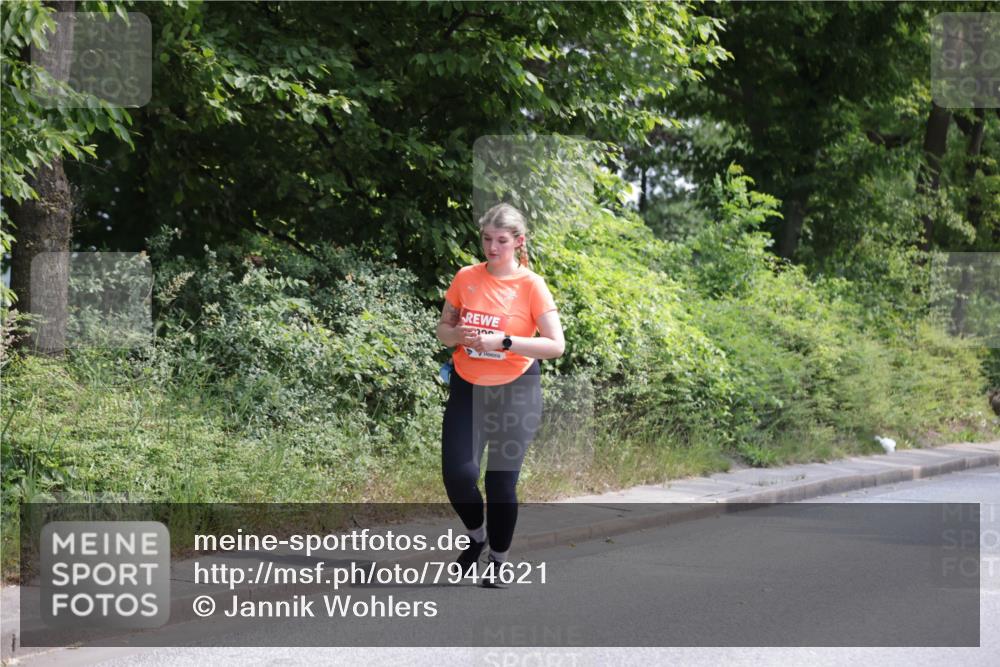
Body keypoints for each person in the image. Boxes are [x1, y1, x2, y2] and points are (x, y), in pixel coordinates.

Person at [436, 202, 565, 588]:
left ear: (518, 242)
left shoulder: (531, 285)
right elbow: (444, 327)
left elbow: (556, 345)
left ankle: (499, 560)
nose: (492, 248)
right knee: (459, 475)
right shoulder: (466, 277)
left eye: (501, 241)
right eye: (487, 239)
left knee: (500, 482)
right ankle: (477, 537)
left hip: (516, 390)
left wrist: (505, 341)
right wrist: (457, 335)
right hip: (468, 386)